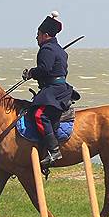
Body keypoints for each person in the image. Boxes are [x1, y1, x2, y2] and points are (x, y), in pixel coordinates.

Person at [23, 11, 79, 168]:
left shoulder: (47, 49)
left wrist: (32, 72)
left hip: (54, 88)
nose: (36, 38)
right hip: (58, 87)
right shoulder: (58, 49)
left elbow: (45, 69)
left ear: (45, 35)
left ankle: (54, 151)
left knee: (39, 114)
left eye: (38, 34)